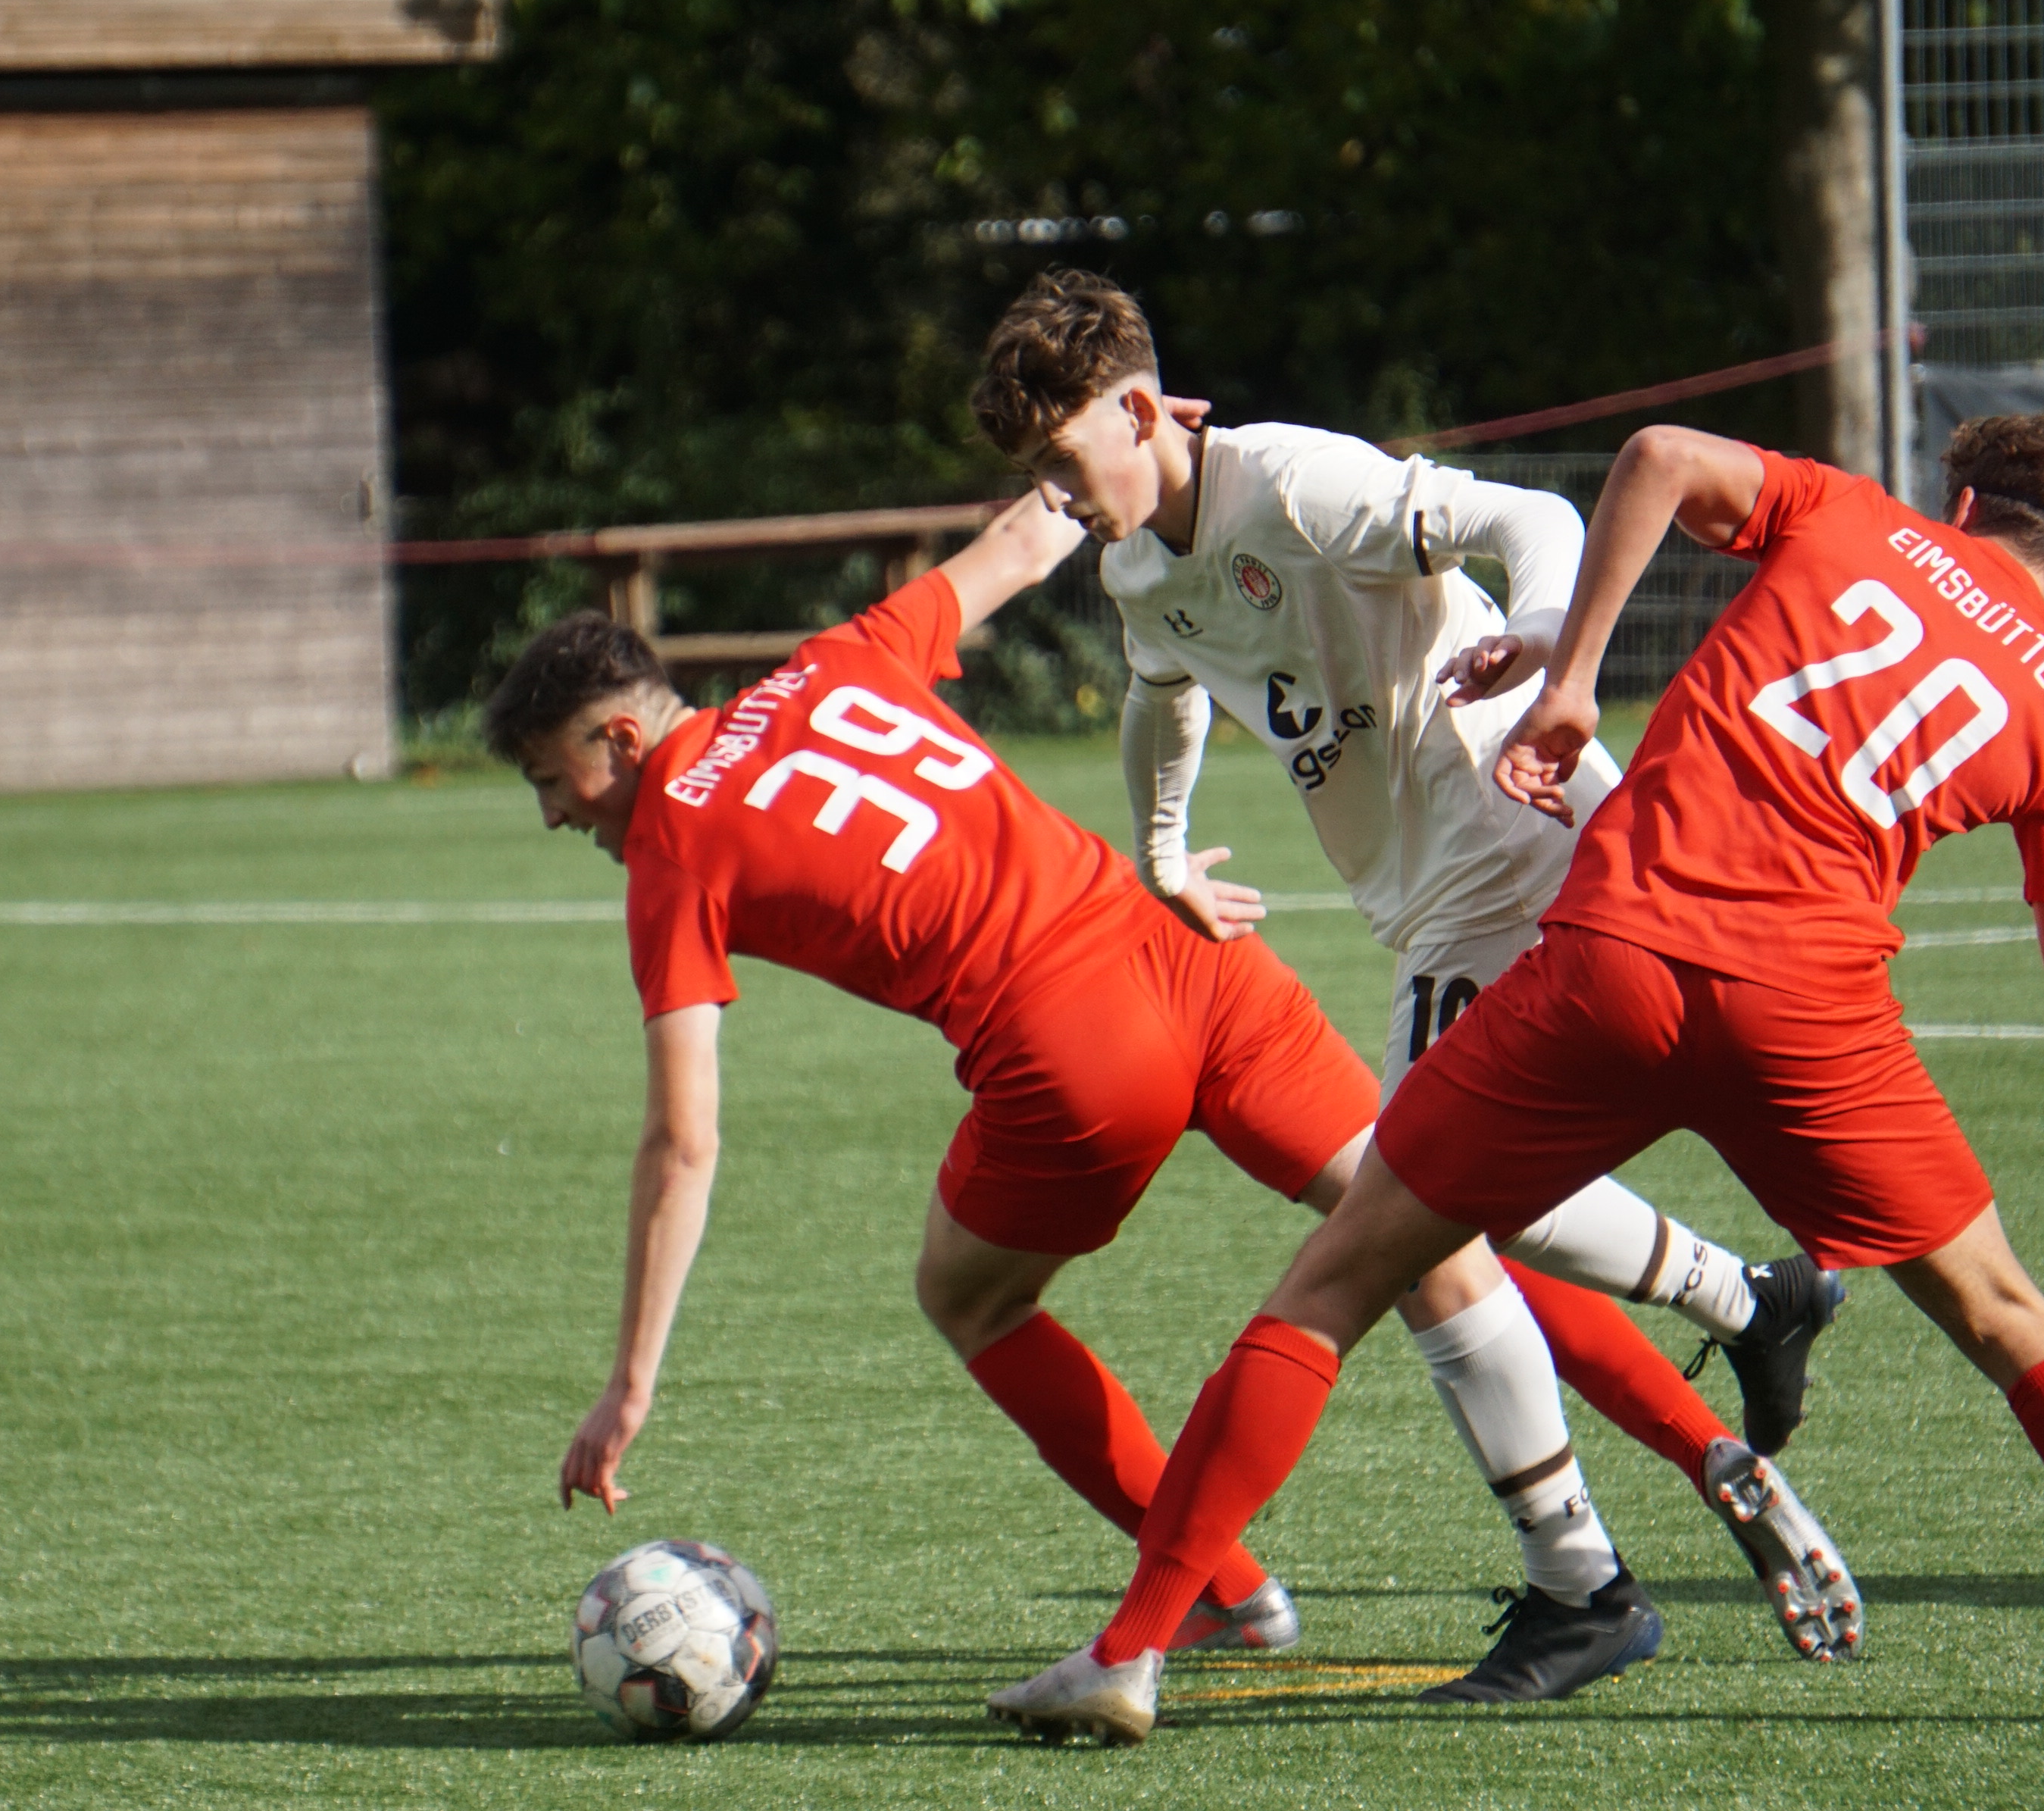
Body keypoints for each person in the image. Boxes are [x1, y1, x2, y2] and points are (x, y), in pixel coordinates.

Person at [989, 407, 2044, 1740]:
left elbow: (1652, 459)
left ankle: (1130, 1658)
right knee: (2009, 1317)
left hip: (1613, 964)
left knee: (1340, 1276)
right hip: (1814, 1021)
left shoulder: (1849, 514)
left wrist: (1573, 678)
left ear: (1960, 506)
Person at [499, 491, 1759, 1709]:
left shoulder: (671, 845)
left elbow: (682, 1139)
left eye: (554, 780)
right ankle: (1707, 1449)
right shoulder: (831, 664)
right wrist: (1131, 451)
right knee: (1419, 1215)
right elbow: (1025, 534)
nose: (557, 815)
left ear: (619, 740)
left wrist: (630, 1384)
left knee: (969, 1293)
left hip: (1071, 1048)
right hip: (1193, 953)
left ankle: (1222, 1589)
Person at [968, 271, 1859, 1699]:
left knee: (1415, 1208)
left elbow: (1537, 520)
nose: (1060, 497)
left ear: (1142, 410)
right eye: (1038, 476)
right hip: (1438, 885)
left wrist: (1555, 642)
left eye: (1066, 460)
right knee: (1450, 1200)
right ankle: (1748, 1309)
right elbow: (1163, 691)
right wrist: (1160, 849)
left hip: (1512, 830)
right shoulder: (1140, 565)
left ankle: (1587, 1579)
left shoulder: (1297, 483)